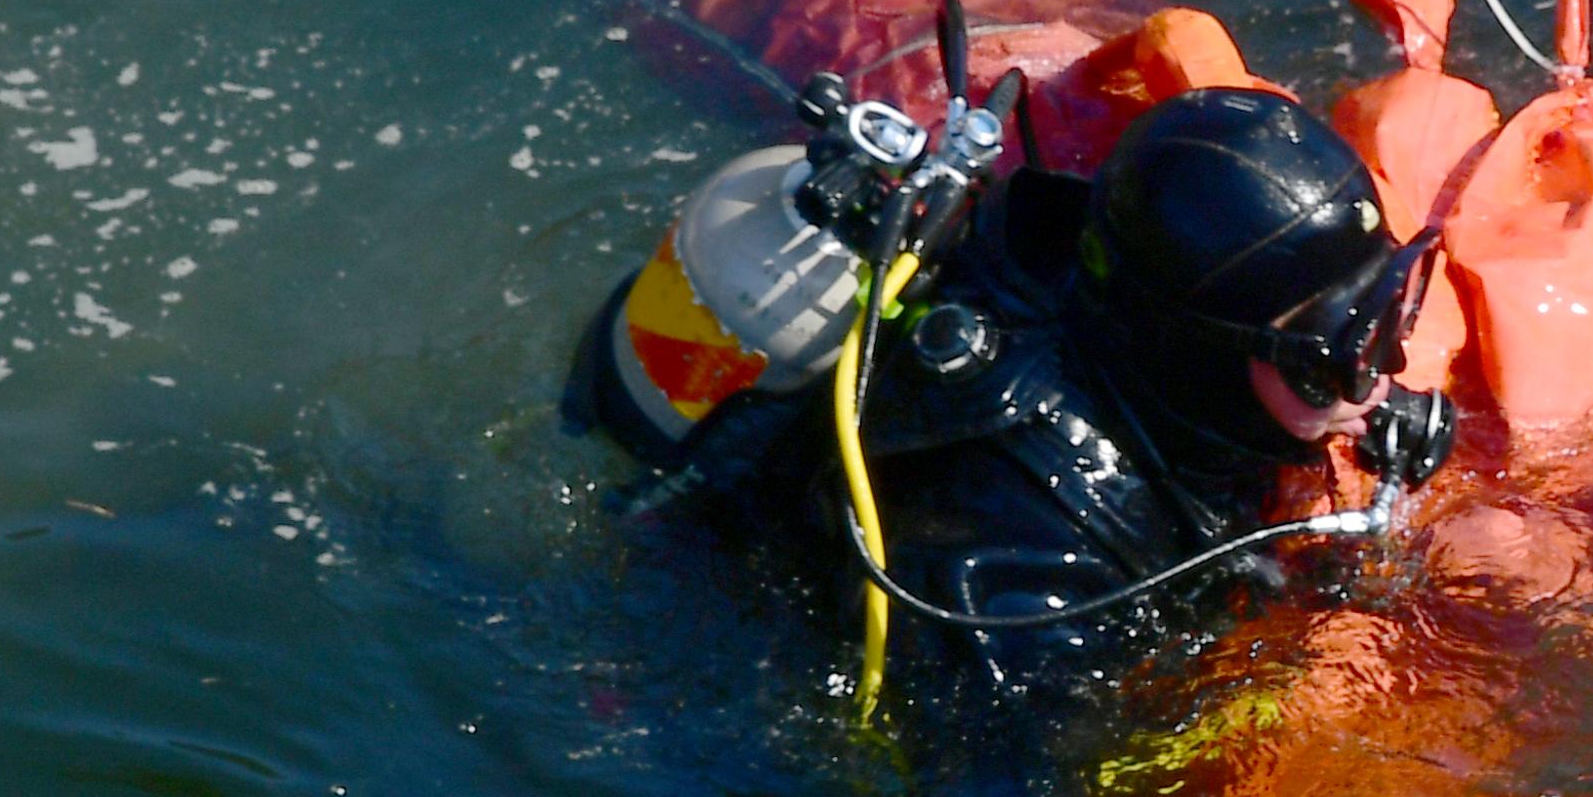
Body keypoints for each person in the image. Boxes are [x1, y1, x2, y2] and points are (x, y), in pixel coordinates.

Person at [575, 77, 1456, 681]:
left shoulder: (1097, 273)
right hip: (710, 642)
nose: (1384, 375)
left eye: (1388, 315)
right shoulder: (1022, 573)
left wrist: (1345, 412)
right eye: (1336, 355)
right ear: (1201, 363)